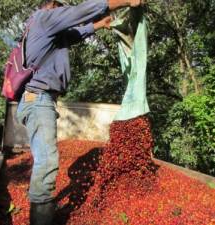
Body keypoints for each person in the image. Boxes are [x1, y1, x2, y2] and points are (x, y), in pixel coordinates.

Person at [15, 0, 144, 224]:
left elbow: (74, 34)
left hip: (39, 99)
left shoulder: (52, 34)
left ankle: (41, 208)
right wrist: (123, 1)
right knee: (47, 162)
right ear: (52, 5)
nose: (63, 14)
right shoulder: (44, 18)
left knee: (44, 160)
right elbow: (79, 12)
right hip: (39, 99)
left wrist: (99, 25)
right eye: (61, 9)